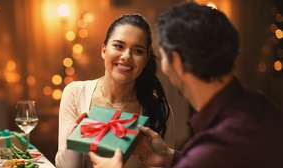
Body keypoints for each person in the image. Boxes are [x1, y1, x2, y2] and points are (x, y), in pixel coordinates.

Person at [89, 2, 283, 168]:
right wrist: (170, 157)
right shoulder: (258, 104)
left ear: (175, 61)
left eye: (162, 54)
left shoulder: (214, 149)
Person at [55, 14, 176, 168]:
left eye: (138, 51)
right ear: (103, 50)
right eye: (118, 46)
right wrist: (72, 140)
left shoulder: (158, 110)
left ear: (145, 60)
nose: (126, 56)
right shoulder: (74, 93)